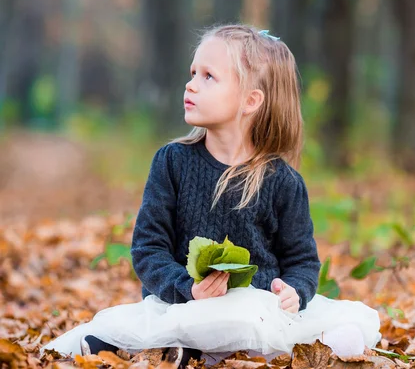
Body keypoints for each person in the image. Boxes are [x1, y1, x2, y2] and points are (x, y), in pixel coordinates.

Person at [40, 24, 380, 368]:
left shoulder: (283, 182)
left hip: (259, 314)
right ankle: (178, 352)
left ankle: (215, 356)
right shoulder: (172, 162)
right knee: (134, 332)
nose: (190, 84)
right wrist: (187, 287)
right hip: (186, 307)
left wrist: (295, 291)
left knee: (345, 333)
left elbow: (302, 261)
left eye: (208, 77)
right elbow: (148, 247)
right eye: (193, 73)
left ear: (250, 100)